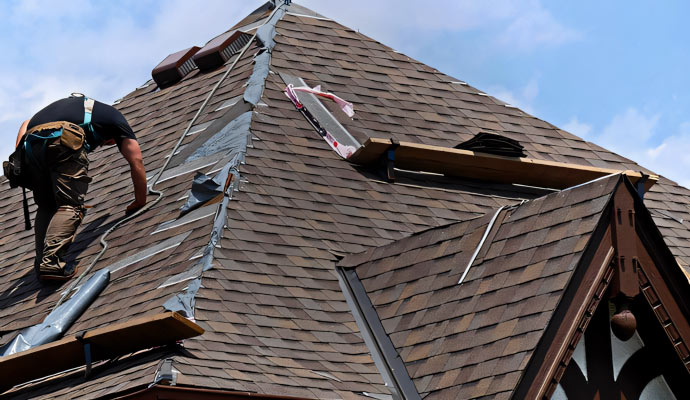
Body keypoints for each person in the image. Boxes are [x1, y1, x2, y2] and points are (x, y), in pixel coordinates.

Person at [14, 94, 147, 282]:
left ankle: (41, 264)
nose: (102, 145)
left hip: (30, 146)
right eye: (107, 143)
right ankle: (51, 264)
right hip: (60, 139)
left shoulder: (76, 109)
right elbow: (137, 161)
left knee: (47, 207)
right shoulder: (117, 119)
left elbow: (26, 123)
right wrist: (140, 200)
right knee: (71, 206)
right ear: (113, 137)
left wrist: (19, 156)